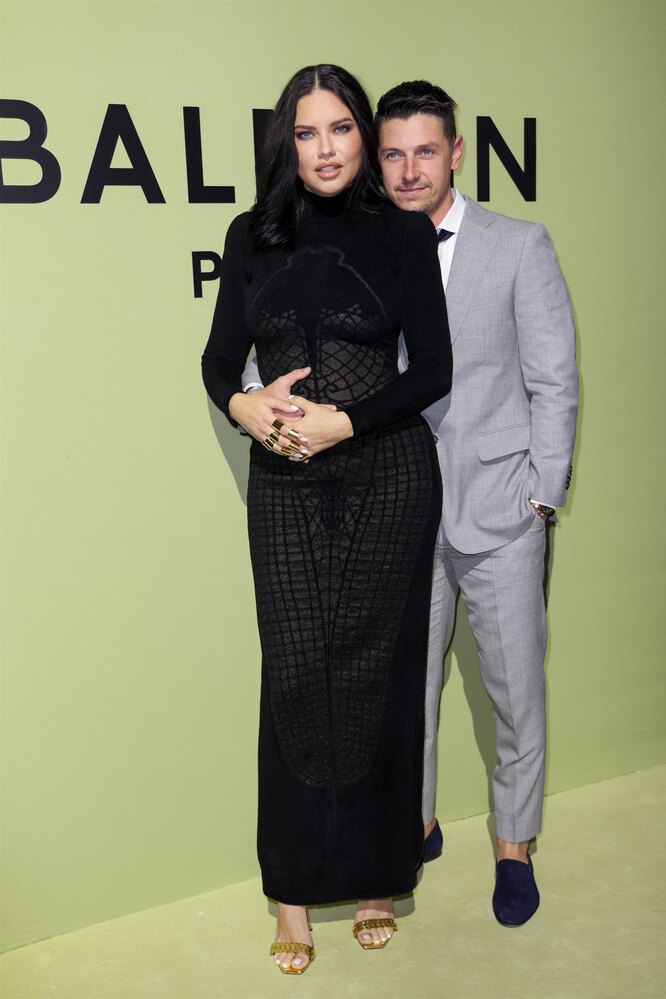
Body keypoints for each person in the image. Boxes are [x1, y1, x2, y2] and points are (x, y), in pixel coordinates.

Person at [249, 80, 578, 928]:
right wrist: (256, 399)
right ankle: (411, 828)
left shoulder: (517, 245)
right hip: (387, 515)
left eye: (425, 151)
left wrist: (541, 497)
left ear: (456, 153)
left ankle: (514, 846)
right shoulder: (364, 242)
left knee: (514, 694)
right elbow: (290, 339)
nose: (407, 169)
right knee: (397, 692)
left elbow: (554, 378)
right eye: (393, 153)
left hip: (497, 511)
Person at [202, 65, 452, 973]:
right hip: (286, 483)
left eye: (341, 128)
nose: (326, 148)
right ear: (287, 142)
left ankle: (379, 879)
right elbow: (217, 360)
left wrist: (346, 420)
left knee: (381, 671)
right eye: (307, 133)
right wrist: (244, 406)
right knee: (297, 673)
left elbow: (433, 369)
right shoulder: (252, 234)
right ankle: (294, 894)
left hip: (388, 475)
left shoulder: (403, 233)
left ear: (363, 133)